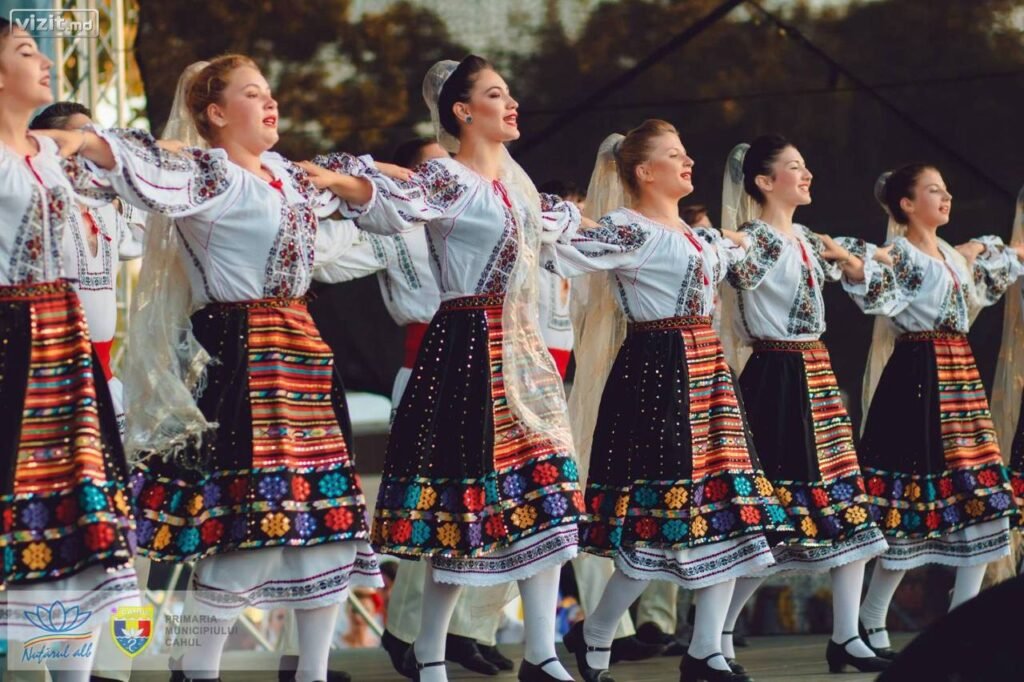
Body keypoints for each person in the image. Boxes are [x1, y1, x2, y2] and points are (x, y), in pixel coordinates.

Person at [36, 56, 400, 682]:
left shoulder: (289, 175)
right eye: (251, 94)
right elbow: (137, 163)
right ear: (214, 113)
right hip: (244, 353)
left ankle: (311, 671)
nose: (270, 103)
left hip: (304, 352)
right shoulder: (209, 173)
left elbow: (389, 196)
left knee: (332, 520)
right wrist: (81, 139)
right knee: (252, 526)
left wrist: (351, 180)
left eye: (270, 91)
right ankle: (198, 665)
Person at [301, 56, 588, 682]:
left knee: (549, 499)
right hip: (466, 347)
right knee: (460, 511)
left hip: (525, 353)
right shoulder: (445, 179)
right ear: (462, 111)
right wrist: (330, 175)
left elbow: (574, 236)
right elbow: (381, 194)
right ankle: (428, 650)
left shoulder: (520, 188)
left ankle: (542, 652)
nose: (511, 104)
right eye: (494, 94)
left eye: (509, 93)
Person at [548, 121, 791, 682]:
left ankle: (705, 649)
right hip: (658, 372)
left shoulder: (696, 235)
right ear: (642, 170)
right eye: (674, 155)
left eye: (686, 154)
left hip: (709, 372)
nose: (688, 163)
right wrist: (560, 217)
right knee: (658, 516)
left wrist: (745, 237)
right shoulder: (628, 228)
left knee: (730, 506)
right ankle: (600, 630)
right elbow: (566, 250)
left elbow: (752, 265)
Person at [716, 135, 890, 674]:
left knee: (847, 506)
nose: (807, 173)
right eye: (794, 167)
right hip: (776, 375)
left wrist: (855, 258)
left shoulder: (811, 239)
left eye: (806, 165)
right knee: (771, 515)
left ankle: (847, 637)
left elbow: (870, 273)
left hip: (815, 372)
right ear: (764, 182)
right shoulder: (757, 238)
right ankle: (716, 634)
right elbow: (732, 255)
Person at [0, 19, 139, 681]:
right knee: (20, 504)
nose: (46, 58)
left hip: (65, 345)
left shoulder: (48, 156)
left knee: (76, 509)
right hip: (12, 341)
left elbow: (90, 144)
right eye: (27, 51)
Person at [841, 164, 1024, 659]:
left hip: (960, 378)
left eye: (946, 191)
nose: (945, 199)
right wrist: (848, 257)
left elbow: (1004, 256)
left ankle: (964, 629)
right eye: (933, 191)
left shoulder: (951, 253)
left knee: (988, 502)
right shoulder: (898, 255)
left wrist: (983, 247)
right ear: (906, 204)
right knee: (908, 506)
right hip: (917, 380)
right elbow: (864, 269)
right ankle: (872, 618)